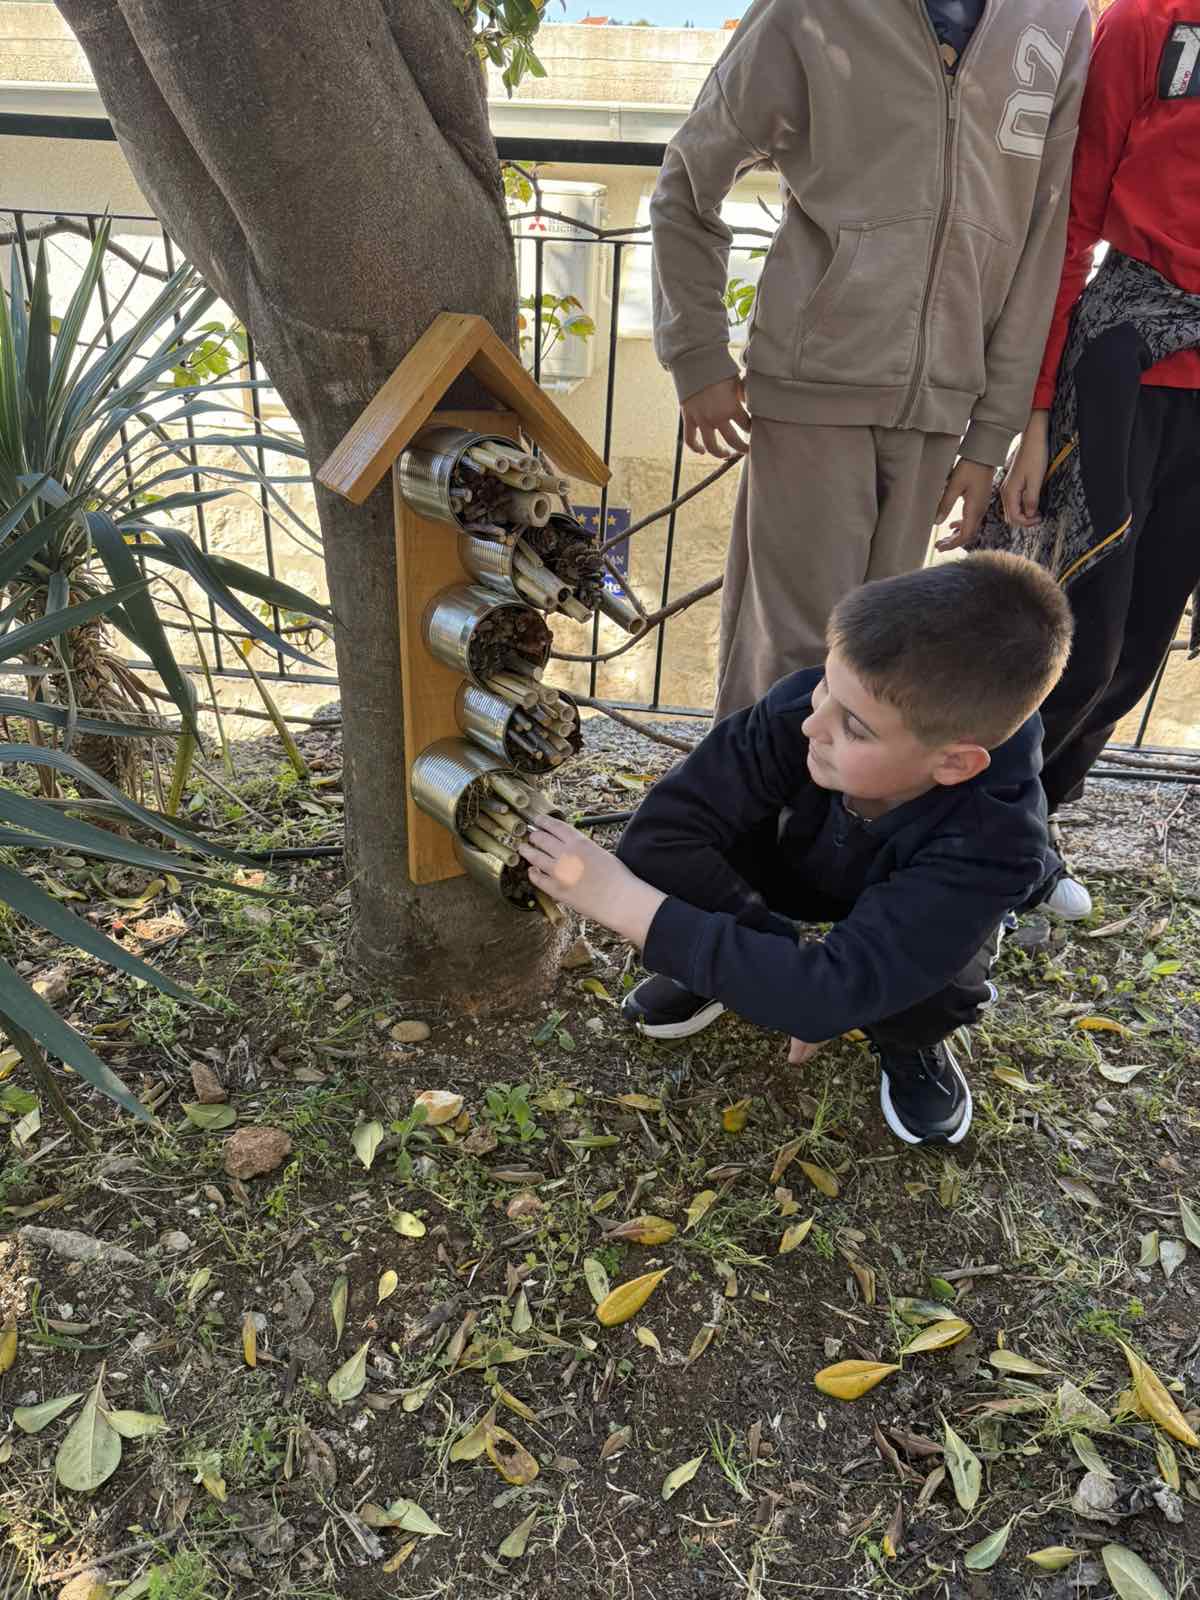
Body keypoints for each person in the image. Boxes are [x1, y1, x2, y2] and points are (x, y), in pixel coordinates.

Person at [520, 556, 1073, 1147]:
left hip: (916, 904)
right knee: (700, 869)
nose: (814, 724)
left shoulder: (997, 842)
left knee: (940, 982)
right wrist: (786, 975)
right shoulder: (807, 709)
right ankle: (738, 974)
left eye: (855, 727)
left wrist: (617, 899)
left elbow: (832, 989)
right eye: (825, 683)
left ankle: (908, 1042)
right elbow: (661, 836)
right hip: (803, 869)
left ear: (955, 762)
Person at [650, 0, 1091, 721]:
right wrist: (697, 353)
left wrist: (989, 436)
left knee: (878, 670)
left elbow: (1041, 237)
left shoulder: (1060, 19)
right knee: (791, 659)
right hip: (815, 380)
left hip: (943, 406)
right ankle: (748, 829)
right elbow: (687, 180)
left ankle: (833, 833)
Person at [964, 0, 1200, 920]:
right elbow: (1065, 225)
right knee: (1077, 643)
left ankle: (1025, 833)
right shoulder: (1147, 24)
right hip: (1117, 372)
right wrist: (1029, 413)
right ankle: (966, 828)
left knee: (1141, 652)